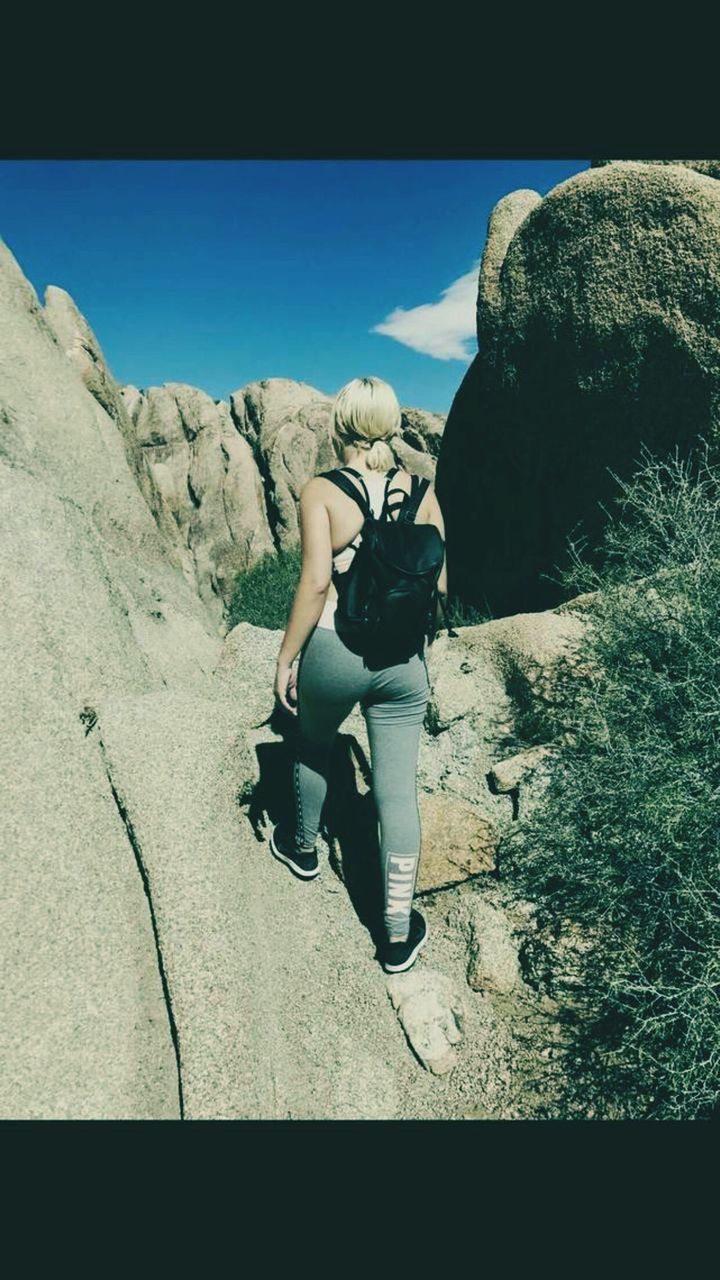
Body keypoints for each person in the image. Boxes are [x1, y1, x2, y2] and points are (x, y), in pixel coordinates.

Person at [271, 376, 448, 973]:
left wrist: (286, 657)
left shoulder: (321, 491)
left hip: (335, 650)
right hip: (403, 663)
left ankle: (301, 850)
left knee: (313, 744)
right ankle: (397, 934)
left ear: (340, 426)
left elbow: (316, 583)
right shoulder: (422, 491)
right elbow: (440, 585)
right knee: (396, 792)